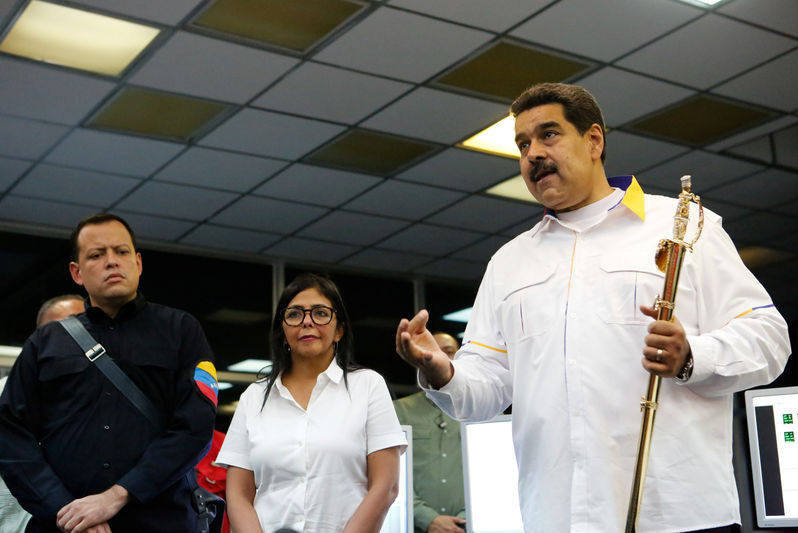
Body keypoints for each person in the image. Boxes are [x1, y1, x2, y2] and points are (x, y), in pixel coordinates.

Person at [395, 83, 791, 532]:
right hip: (557, 517)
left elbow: (769, 338)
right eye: (523, 144)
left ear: (595, 141)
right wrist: (440, 370)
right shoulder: (508, 262)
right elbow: (484, 392)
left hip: (677, 516)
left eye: (549, 135)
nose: (533, 154)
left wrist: (691, 357)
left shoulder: (683, 225)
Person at [0, 213, 218, 533]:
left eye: (122, 251)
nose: (112, 261)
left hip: (161, 521)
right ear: (77, 272)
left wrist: (116, 496)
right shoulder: (45, 342)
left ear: (138, 263)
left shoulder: (181, 331)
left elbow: (194, 427)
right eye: (97, 254)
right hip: (64, 526)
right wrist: (65, 510)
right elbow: (9, 434)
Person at [217, 273, 406, 533]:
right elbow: (237, 494)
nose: (307, 322)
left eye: (320, 313)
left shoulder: (368, 386)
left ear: (339, 330)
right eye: (294, 314)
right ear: (283, 333)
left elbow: (386, 486)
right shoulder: (254, 397)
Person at [0, 295, 86, 533]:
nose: (80, 338)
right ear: (39, 337)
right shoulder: (4, 392)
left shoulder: (104, 404)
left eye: (86, 329)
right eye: (65, 328)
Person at [394, 332, 465, 533]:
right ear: (418, 359)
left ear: (460, 356)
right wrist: (428, 519)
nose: (440, 358)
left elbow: (494, 472)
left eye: (449, 352)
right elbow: (387, 474)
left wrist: (466, 518)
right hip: (414, 527)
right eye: (432, 352)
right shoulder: (398, 411)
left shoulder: (482, 410)